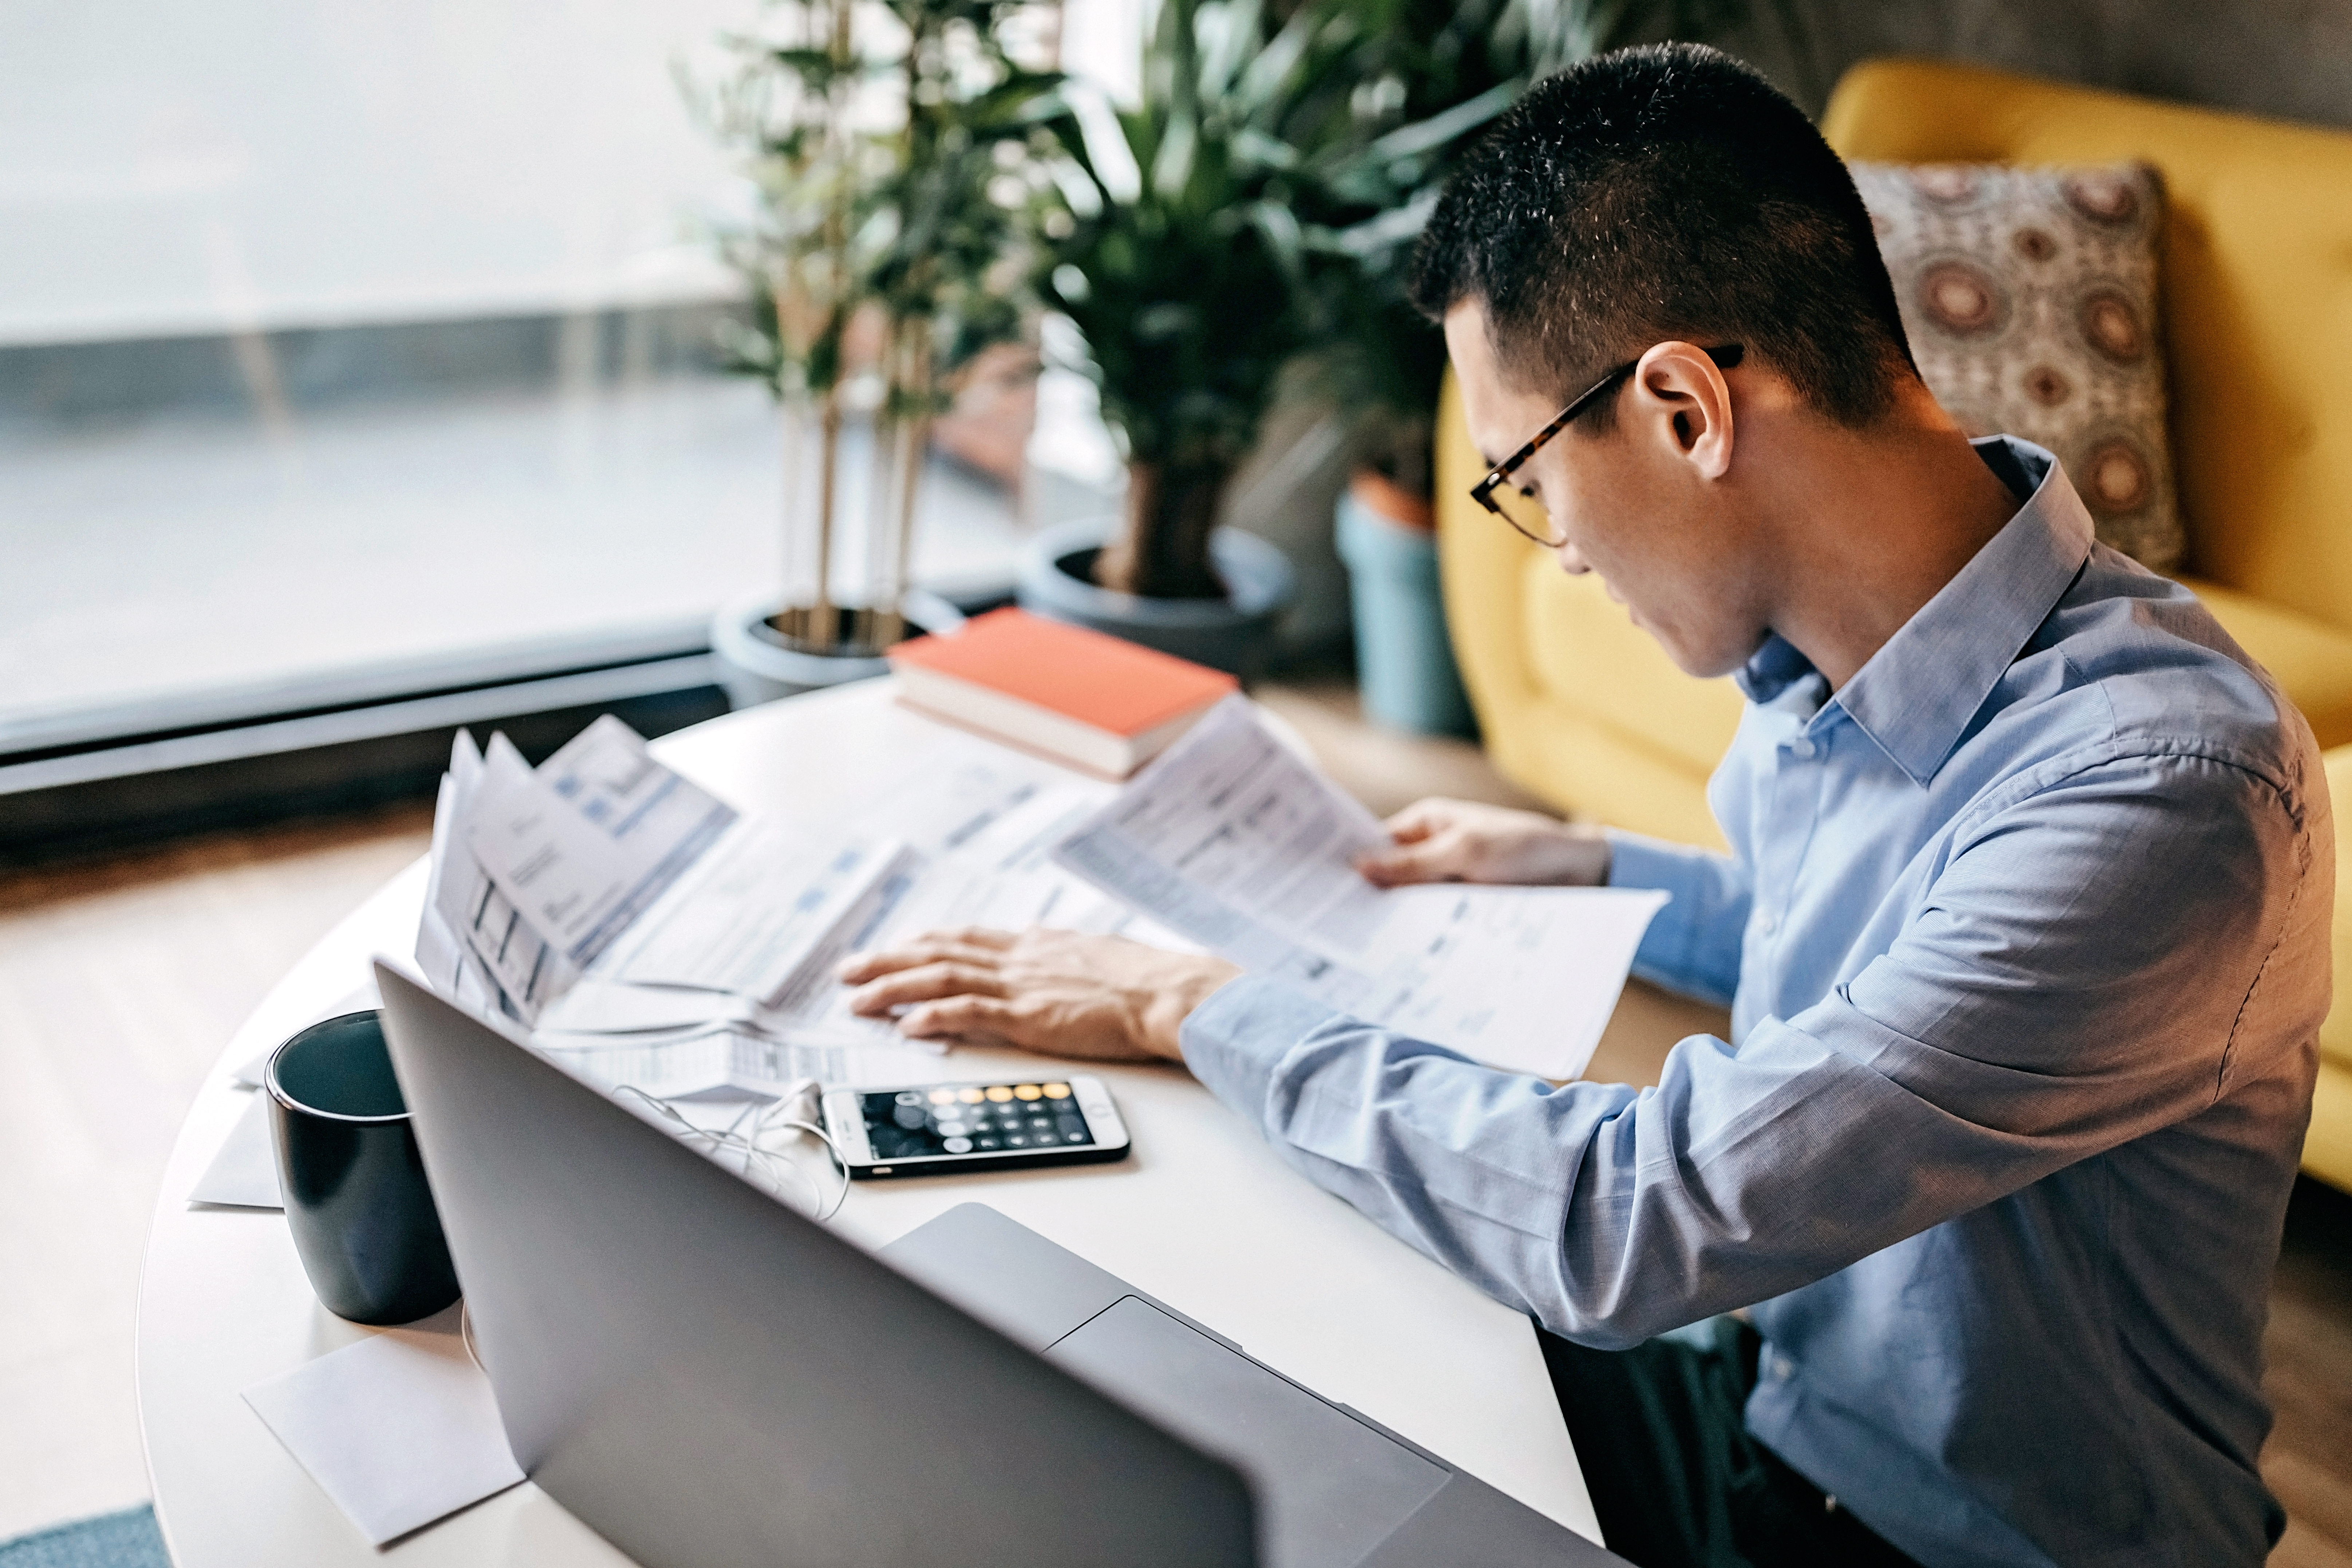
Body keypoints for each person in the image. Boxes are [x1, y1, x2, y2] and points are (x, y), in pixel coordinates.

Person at [839, 43, 2331, 1568]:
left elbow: (1637, 1221)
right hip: (1778, 1412)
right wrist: (1580, 864)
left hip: (1940, 1544)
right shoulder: (1847, 659)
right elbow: (1882, 953)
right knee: (1258, 1375)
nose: (1550, 547)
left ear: (1685, 408)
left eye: (1524, 478)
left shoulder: (2161, 793)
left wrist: (1195, 1005)